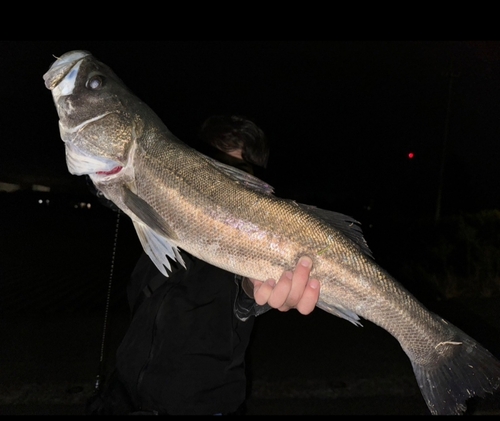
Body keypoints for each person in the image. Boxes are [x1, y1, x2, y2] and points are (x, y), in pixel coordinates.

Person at [86, 115, 320, 415]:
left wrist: (263, 286)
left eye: (237, 174)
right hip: (122, 396)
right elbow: (119, 184)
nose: (221, 183)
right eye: (212, 169)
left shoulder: (251, 247)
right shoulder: (159, 220)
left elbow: (248, 292)